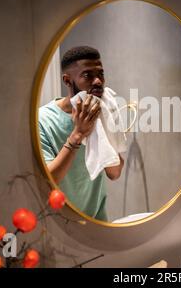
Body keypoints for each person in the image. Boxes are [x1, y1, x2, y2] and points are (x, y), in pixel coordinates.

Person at [38, 46, 124, 221]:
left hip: (97, 220)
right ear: (67, 80)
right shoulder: (43, 120)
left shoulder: (103, 110)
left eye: (100, 74)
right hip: (60, 222)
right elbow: (48, 180)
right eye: (88, 75)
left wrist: (101, 124)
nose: (98, 81)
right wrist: (78, 133)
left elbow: (114, 173)